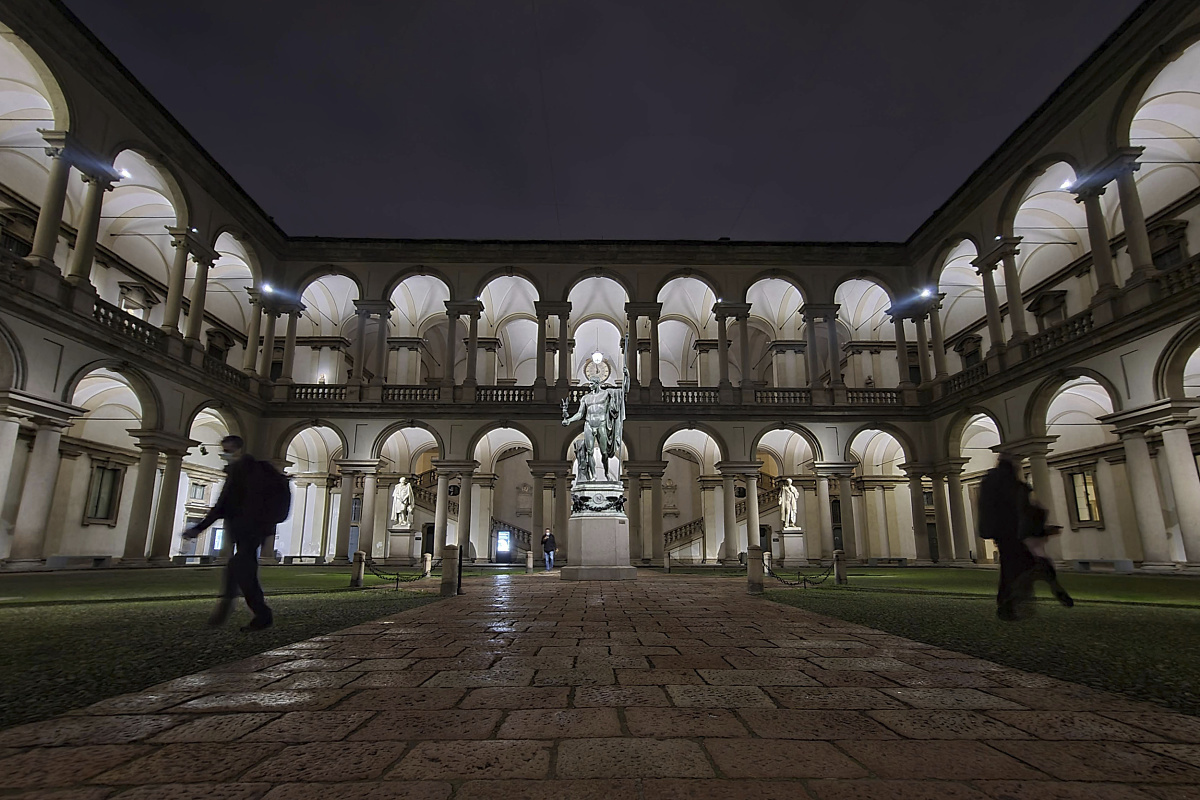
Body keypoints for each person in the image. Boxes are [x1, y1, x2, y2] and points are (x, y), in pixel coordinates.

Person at [182, 435, 274, 631]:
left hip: (246, 528)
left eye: (228, 450)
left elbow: (222, 505)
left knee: (241, 567)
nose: (225, 454)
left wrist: (199, 528)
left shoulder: (241, 471)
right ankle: (241, 607)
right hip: (254, 529)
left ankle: (254, 611)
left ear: (238, 449)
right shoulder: (253, 470)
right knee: (240, 568)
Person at [978, 453, 1038, 621]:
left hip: (1001, 531)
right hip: (1012, 530)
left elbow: (986, 507)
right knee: (1019, 565)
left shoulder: (991, 481)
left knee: (1010, 565)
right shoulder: (1011, 484)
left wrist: (987, 528)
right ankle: (1012, 601)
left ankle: (1009, 601)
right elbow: (1019, 507)